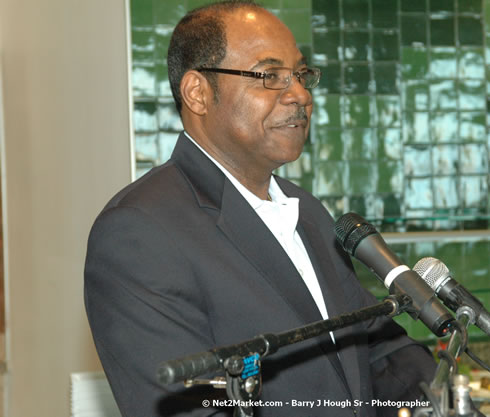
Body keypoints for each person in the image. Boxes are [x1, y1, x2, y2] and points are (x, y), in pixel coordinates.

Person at [84, 1, 436, 416]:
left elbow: (377, 350)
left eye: (301, 75)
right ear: (198, 93)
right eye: (270, 76)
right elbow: (191, 408)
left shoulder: (306, 210)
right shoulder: (140, 231)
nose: (301, 94)